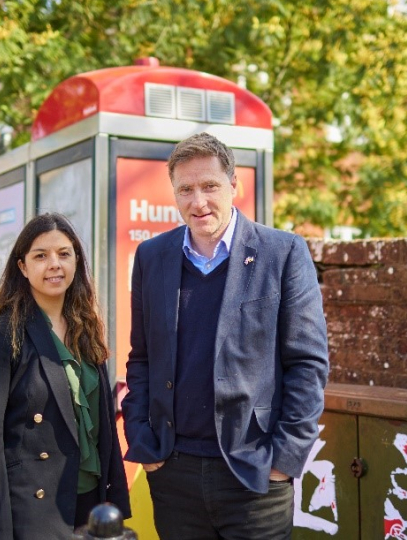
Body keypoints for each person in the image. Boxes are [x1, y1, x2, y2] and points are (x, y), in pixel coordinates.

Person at [121, 132, 329, 539]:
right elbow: (142, 358)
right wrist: (142, 440)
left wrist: (283, 462)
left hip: (255, 478)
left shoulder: (283, 252)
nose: (198, 202)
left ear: (235, 186)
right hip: (173, 473)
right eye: (186, 190)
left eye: (210, 186)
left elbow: (308, 364)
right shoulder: (152, 256)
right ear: (175, 194)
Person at [0, 213, 130, 539]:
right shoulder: (0, 334)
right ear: (23, 267)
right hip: (34, 505)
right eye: (41, 256)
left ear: (76, 262)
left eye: (64, 254)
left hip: (92, 500)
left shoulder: (86, 327)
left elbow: (102, 426)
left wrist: (116, 501)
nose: (54, 264)